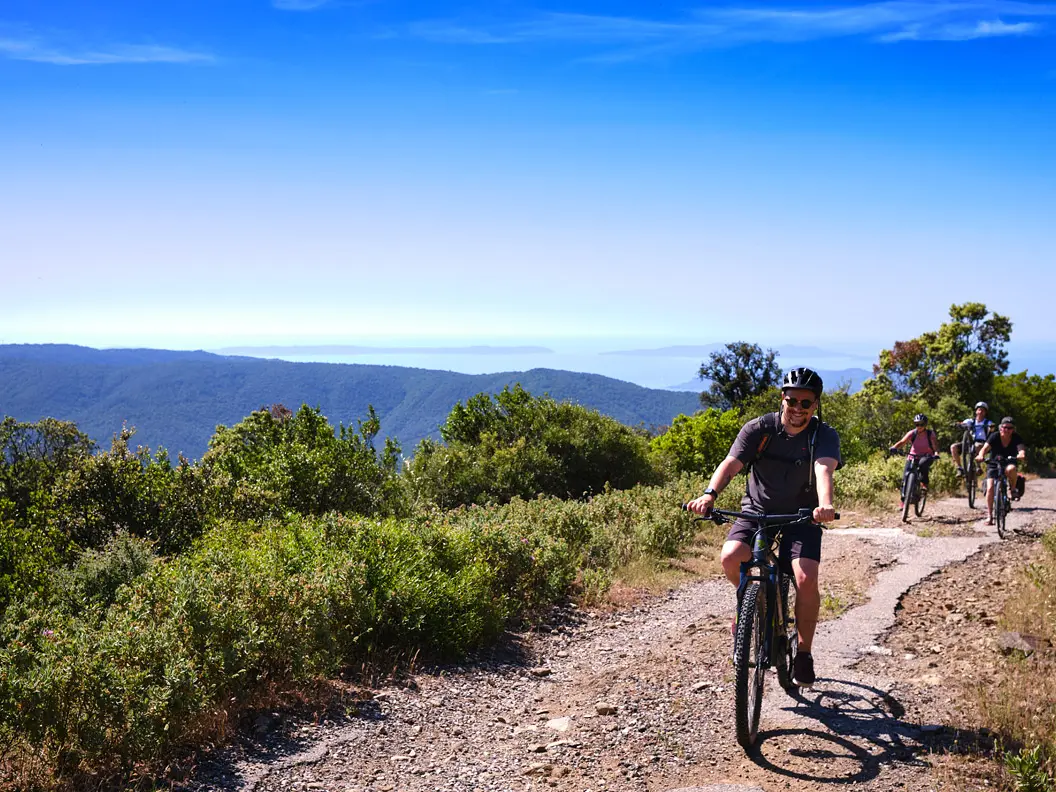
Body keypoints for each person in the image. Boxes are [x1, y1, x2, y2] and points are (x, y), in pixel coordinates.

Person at [686, 367, 840, 687]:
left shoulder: (823, 435)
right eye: (792, 401)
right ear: (782, 399)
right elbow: (731, 463)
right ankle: (750, 604)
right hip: (757, 512)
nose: (798, 409)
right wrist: (709, 494)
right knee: (731, 557)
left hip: (803, 516)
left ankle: (804, 652)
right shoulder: (759, 429)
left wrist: (824, 505)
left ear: (815, 405)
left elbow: (824, 469)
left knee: (805, 577)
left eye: (806, 403)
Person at [976, 416, 1027, 525]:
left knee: (1012, 469)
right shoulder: (994, 436)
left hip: (1009, 462)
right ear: (1000, 428)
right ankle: (990, 516)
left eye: (1010, 428)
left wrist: (1021, 454)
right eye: (1004, 427)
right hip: (994, 463)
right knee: (990, 488)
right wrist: (980, 455)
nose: (1007, 430)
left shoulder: (1017, 438)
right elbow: (984, 449)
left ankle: (1012, 489)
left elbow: (1021, 449)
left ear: (1013, 429)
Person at [889, 413, 939, 508]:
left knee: (923, 463)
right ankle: (904, 501)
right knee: (905, 477)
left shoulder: (930, 434)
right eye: (917, 424)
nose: (919, 426)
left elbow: (935, 446)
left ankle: (924, 484)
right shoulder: (912, 433)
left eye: (921, 424)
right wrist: (894, 447)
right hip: (913, 457)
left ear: (925, 424)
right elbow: (902, 442)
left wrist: (936, 454)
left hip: (926, 456)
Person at [951, 401, 995, 476]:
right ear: (976, 411)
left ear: (985, 413)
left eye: (983, 410)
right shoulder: (970, 421)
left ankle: (978, 466)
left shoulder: (987, 422)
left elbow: (992, 427)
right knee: (953, 447)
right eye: (979, 410)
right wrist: (958, 424)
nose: (980, 412)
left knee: (977, 446)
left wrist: (991, 427)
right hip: (969, 442)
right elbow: (963, 423)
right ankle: (959, 468)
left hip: (981, 443)